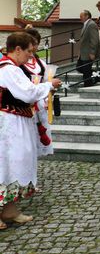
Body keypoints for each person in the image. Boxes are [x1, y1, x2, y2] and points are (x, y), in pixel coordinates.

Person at [0, 32, 61, 229]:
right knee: (5, 164)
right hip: (8, 124)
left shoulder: (14, 69)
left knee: (15, 163)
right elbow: (26, 93)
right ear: (17, 49)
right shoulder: (8, 69)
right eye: (28, 51)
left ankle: (9, 210)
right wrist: (48, 85)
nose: (30, 56)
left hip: (17, 121)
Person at [20, 28, 53, 156]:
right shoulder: (17, 65)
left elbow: (46, 83)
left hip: (39, 106)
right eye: (32, 44)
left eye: (36, 43)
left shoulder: (41, 63)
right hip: (24, 106)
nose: (34, 47)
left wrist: (50, 91)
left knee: (38, 138)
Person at [76, 9, 100, 87]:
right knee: (79, 67)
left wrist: (92, 52)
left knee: (86, 70)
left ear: (87, 16)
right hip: (83, 53)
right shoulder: (86, 24)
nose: (80, 18)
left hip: (88, 53)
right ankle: (97, 75)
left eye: (81, 16)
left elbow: (94, 40)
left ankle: (87, 84)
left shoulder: (91, 24)